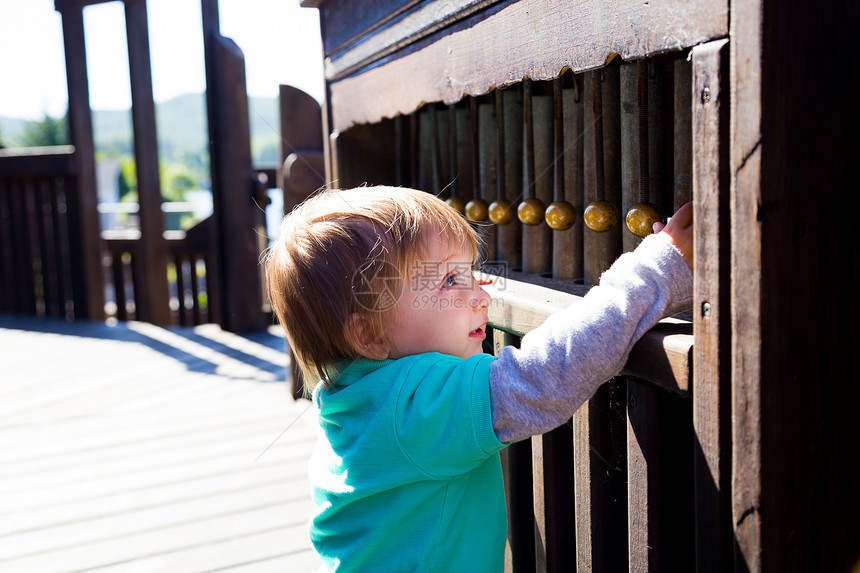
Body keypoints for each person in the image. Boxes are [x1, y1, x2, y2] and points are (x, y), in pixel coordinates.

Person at [265, 186, 693, 572]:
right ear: (369, 334)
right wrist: (656, 270)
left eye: (472, 274)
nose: (481, 295)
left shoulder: (353, 397)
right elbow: (545, 376)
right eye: (450, 281)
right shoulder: (413, 403)